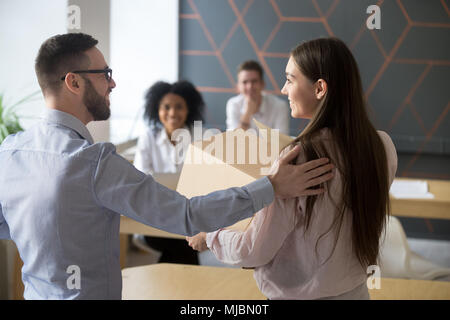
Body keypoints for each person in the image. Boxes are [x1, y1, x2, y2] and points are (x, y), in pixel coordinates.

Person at [0, 33, 334, 300]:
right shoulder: (92, 163)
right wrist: (271, 186)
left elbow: (9, 225)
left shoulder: (10, 150)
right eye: (105, 74)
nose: (112, 84)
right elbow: (187, 215)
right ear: (73, 82)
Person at [187, 37, 398, 300]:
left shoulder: (298, 158)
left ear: (320, 88)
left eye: (290, 79)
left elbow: (254, 249)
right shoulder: (383, 146)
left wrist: (210, 236)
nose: (284, 90)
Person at [133, 80, 206, 265]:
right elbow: (141, 178)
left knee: (180, 243)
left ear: (188, 109)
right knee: (183, 245)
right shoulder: (148, 139)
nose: (172, 113)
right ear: (157, 110)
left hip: (190, 213)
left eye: (179, 107)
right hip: (156, 215)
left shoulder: (201, 137)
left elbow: (207, 179)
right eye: (166, 107)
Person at [226, 60, 290, 135]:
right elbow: (233, 140)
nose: (250, 87)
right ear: (238, 86)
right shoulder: (233, 104)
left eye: (254, 81)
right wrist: (247, 113)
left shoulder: (279, 106)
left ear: (262, 84)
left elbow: (281, 141)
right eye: (245, 82)